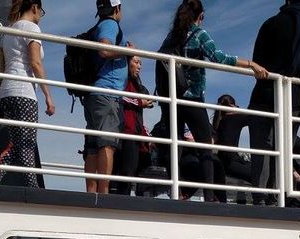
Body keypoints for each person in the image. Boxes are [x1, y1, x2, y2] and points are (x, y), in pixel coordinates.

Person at [159, 0, 268, 203]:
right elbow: (220, 59)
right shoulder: (200, 35)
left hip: (173, 99)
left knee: (175, 145)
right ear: (200, 15)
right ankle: (209, 197)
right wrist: (251, 64)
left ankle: (175, 190)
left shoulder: (171, 37)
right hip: (192, 98)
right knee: (205, 149)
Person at [247, 0, 300, 205]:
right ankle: (277, 198)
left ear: (287, 1)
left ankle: (259, 199)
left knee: (262, 149)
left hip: (264, 95)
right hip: (292, 99)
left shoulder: (271, 24)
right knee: (284, 149)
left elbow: (257, 62)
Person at [0, 0, 56, 189]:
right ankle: (34, 191)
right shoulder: (31, 28)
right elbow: (35, 63)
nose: (41, 15)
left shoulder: (9, 31)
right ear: (34, 7)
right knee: (26, 144)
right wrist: (48, 96)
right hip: (24, 93)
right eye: (41, 11)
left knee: (17, 145)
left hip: (6, 93)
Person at [84, 0, 133, 194]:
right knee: (107, 143)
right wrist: (128, 51)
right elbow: (104, 49)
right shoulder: (110, 24)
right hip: (107, 94)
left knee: (93, 146)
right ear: (117, 8)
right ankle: (103, 194)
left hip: (95, 94)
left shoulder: (98, 25)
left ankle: (91, 192)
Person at [113, 55, 153, 196]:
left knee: (134, 168)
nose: (139, 66)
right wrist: (138, 101)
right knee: (126, 170)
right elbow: (118, 96)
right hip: (125, 130)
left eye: (140, 63)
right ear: (127, 62)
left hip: (135, 131)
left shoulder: (136, 84)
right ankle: (121, 201)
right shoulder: (121, 78)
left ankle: (126, 198)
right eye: (136, 62)